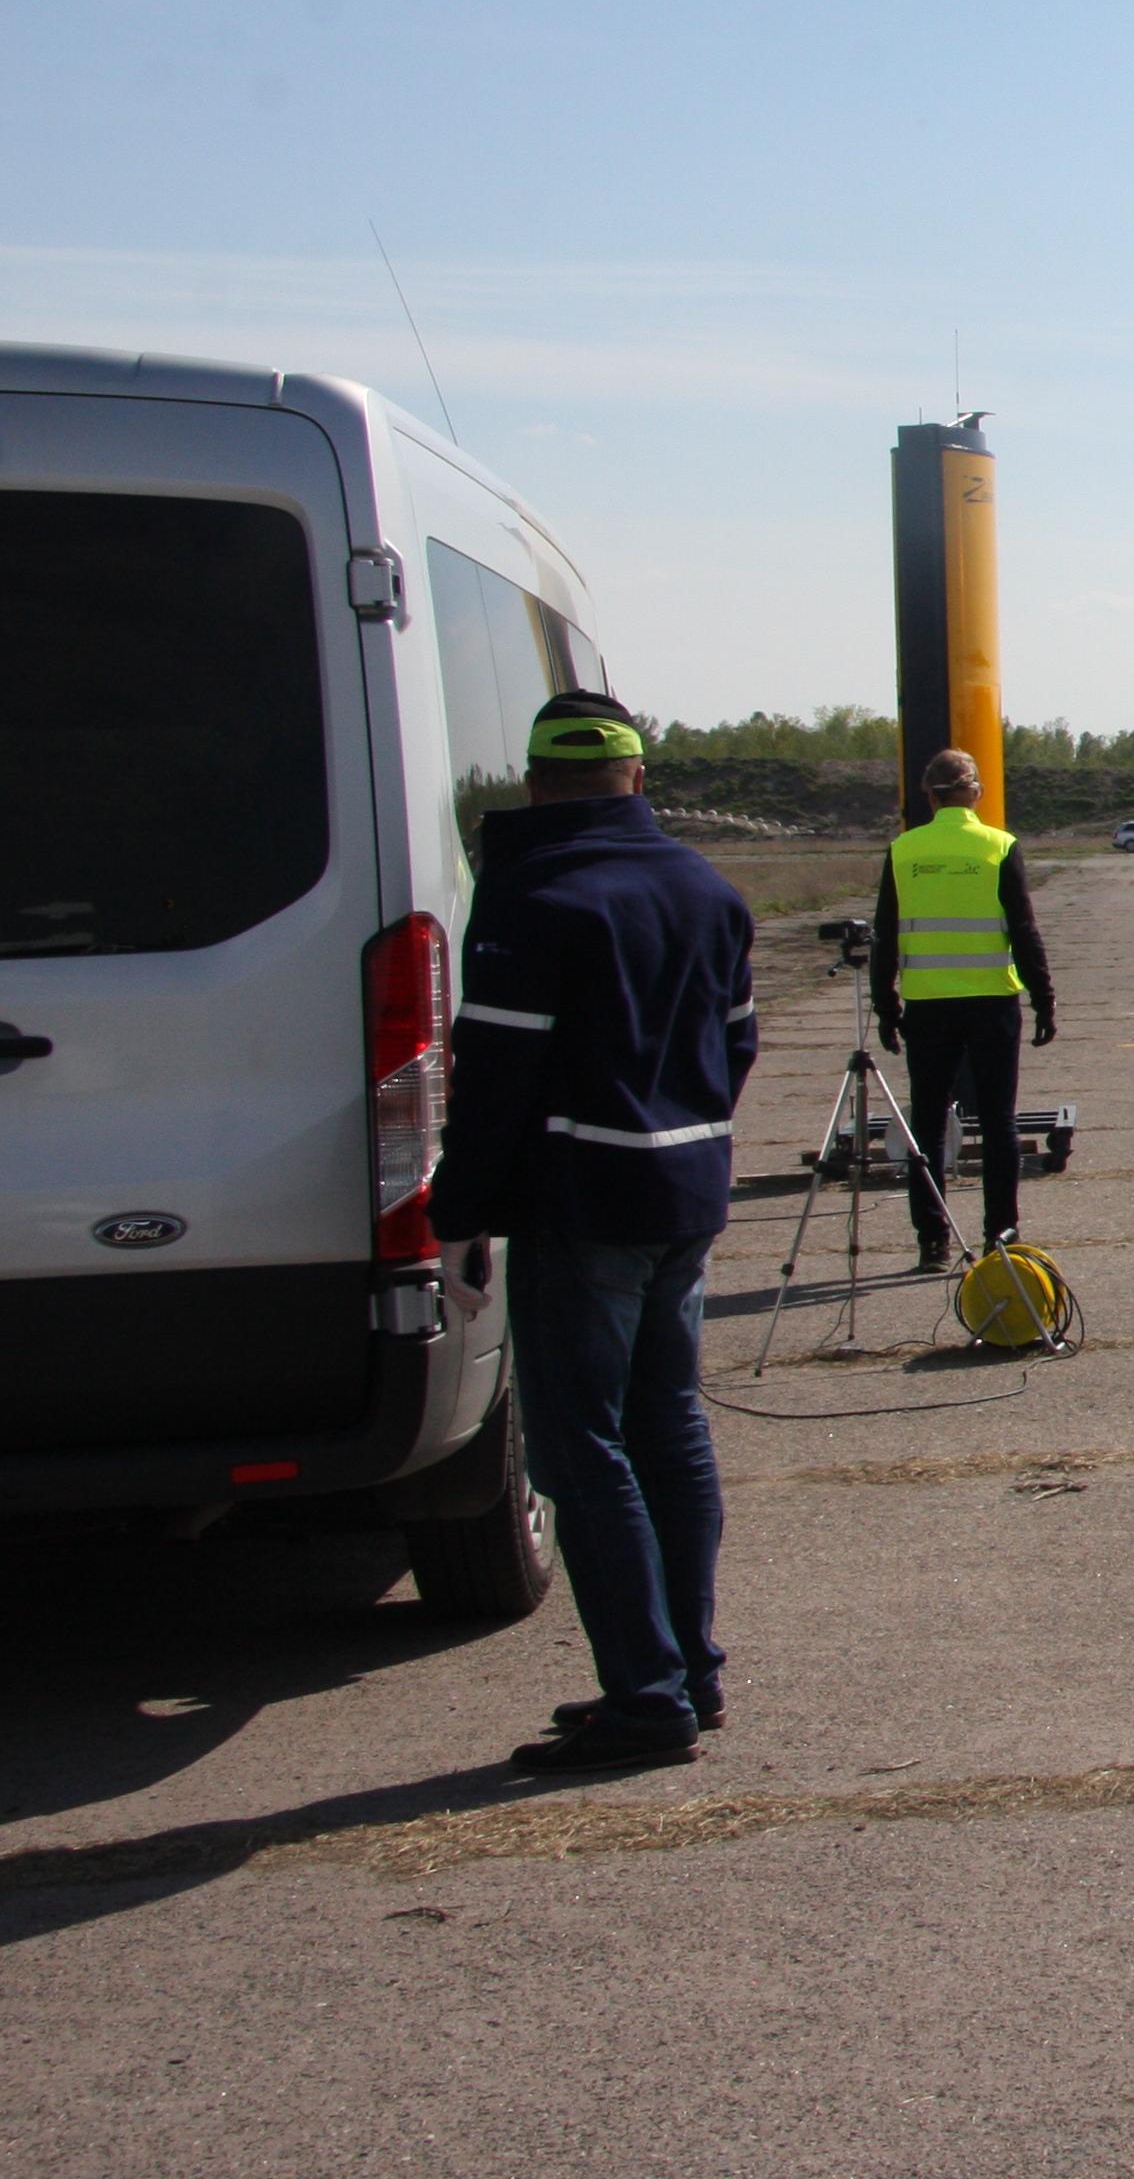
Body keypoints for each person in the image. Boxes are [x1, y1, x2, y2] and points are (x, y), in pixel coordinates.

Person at [427, 692, 756, 1776]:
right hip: (686, 1194)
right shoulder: (707, 888)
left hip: (583, 1205)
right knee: (669, 1426)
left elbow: (494, 1079)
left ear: (533, 783)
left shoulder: (533, 893)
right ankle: (689, 1672)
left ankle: (647, 1698)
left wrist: (461, 1212)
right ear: (637, 779)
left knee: (581, 1449)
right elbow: (736, 1046)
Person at [871, 748, 1056, 1267]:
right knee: (998, 1122)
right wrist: (1043, 998)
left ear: (928, 796)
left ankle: (932, 1240)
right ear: (976, 793)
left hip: (928, 1003)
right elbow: (1023, 930)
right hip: (992, 1001)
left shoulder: (904, 850)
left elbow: (885, 934)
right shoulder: (999, 846)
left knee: (928, 1124)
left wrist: (885, 1004)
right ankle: (1002, 1234)